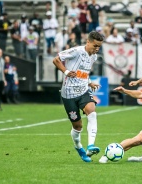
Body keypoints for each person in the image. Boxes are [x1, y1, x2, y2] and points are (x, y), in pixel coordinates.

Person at [52, 31, 104, 162]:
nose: (97, 49)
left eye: (99, 47)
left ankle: (91, 145)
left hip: (83, 91)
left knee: (92, 112)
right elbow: (56, 59)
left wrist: (89, 82)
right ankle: (79, 147)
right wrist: (66, 71)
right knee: (77, 126)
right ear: (88, 42)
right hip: (68, 94)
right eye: (95, 46)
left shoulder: (94, 57)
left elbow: (84, 72)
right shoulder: (76, 51)